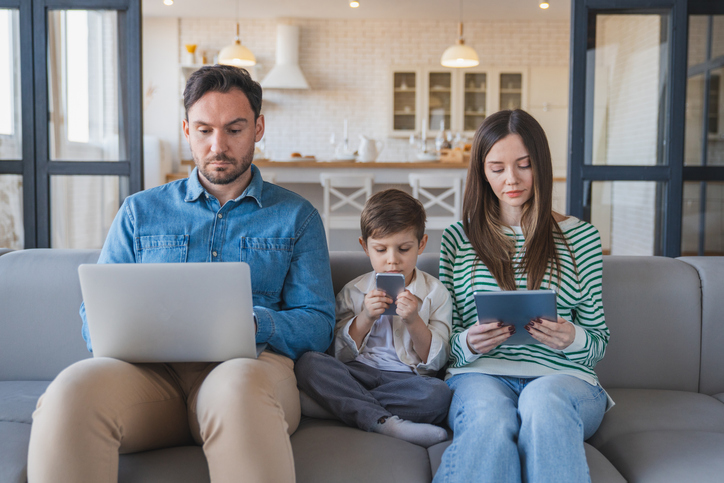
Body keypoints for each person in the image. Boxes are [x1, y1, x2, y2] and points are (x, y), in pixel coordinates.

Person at [27, 65, 336, 483]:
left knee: (237, 388)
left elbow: (317, 324)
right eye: (204, 130)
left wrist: (249, 323)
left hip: (251, 369)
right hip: (150, 378)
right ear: (187, 130)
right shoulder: (139, 211)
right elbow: (93, 319)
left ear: (259, 128)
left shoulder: (297, 217)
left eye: (234, 129)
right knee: (70, 390)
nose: (218, 146)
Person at [433, 109, 614, 483]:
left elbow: (598, 343)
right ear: (482, 173)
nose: (511, 180)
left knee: (542, 403)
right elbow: (440, 344)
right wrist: (468, 341)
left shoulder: (582, 238)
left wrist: (572, 337)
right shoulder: (457, 238)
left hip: (563, 380)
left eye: (524, 165)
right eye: (496, 168)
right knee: (487, 416)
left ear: (541, 165)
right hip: (479, 376)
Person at [295, 189, 453, 448]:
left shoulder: (436, 293)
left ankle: (341, 405)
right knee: (309, 363)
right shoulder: (353, 290)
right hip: (357, 372)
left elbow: (435, 362)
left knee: (438, 395)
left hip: (406, 380)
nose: (392, 260)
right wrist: (365, 317)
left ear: (421, 244)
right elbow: (336, 352)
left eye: (404, 249)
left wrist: (414, 321)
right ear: (365, 247)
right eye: (381, 249)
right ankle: (385, 422)